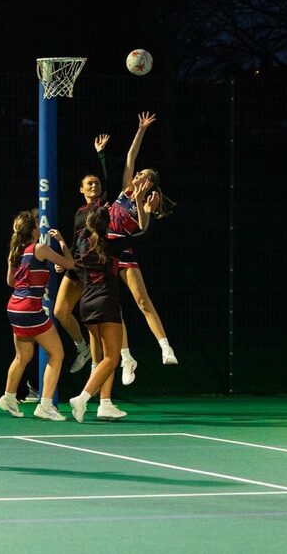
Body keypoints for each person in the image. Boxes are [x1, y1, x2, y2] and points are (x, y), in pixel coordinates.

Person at [53, 134, 128, 420]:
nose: (94, 185)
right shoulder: (79, 213)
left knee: (102, 338)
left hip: (94, 271)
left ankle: (104, 400)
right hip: (79, 266)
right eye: (89, 183)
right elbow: (74, 241)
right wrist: (63, 262)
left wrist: (101, 155)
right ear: (81, 189)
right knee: (60, 311)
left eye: (96, 183)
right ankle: (80, 349)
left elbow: (109, 181)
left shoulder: (102, 208)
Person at [69, 185, 158, 422]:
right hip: (106, 303)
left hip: (86, 305)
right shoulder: (112, 244)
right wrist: (148, 210)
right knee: (111, 358)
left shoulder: (82, 244)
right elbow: (144, 234)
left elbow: (87, 235)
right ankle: (82, 398)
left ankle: (105, 404)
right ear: (107, 225)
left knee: (102, 357)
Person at [108, 112, 179, 386]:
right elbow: (130, 157)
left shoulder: (144, 203)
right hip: (106, 254)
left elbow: (141, 228)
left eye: (144, 176)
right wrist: (141, 130)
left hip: (124, 254)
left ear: (150, 185)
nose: (138, 175)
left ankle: (165, 347)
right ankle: (127, 358)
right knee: (115, 309)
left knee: (141, 301)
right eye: (139, 173)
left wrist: (140, 202)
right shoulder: (125, 189)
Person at [0, 211, 74, 421]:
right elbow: (70, 264)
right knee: (57, 353)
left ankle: (8, 398)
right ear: (33, 231)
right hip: (30, 309)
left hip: (14, 307)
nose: (40, 228)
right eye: (38, 226)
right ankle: (45, 405)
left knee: (23, 356)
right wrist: (61, 241)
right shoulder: (39, 248)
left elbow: (11, 283)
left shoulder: (16, 251)